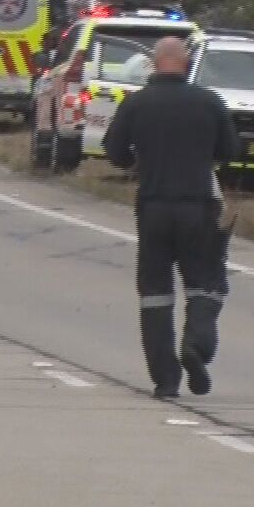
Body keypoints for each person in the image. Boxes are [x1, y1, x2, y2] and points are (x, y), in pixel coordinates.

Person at [102, 37, 237, 399]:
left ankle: (166, 380)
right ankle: (196, 345)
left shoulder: (137, 103)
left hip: (153, 208)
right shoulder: (209, 102)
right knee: (206, 283)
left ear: (154, 64)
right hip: (198, 206)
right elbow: (229, 150)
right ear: (187, 60)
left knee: (155, 294)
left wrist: (137, 163)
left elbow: (113, 150)